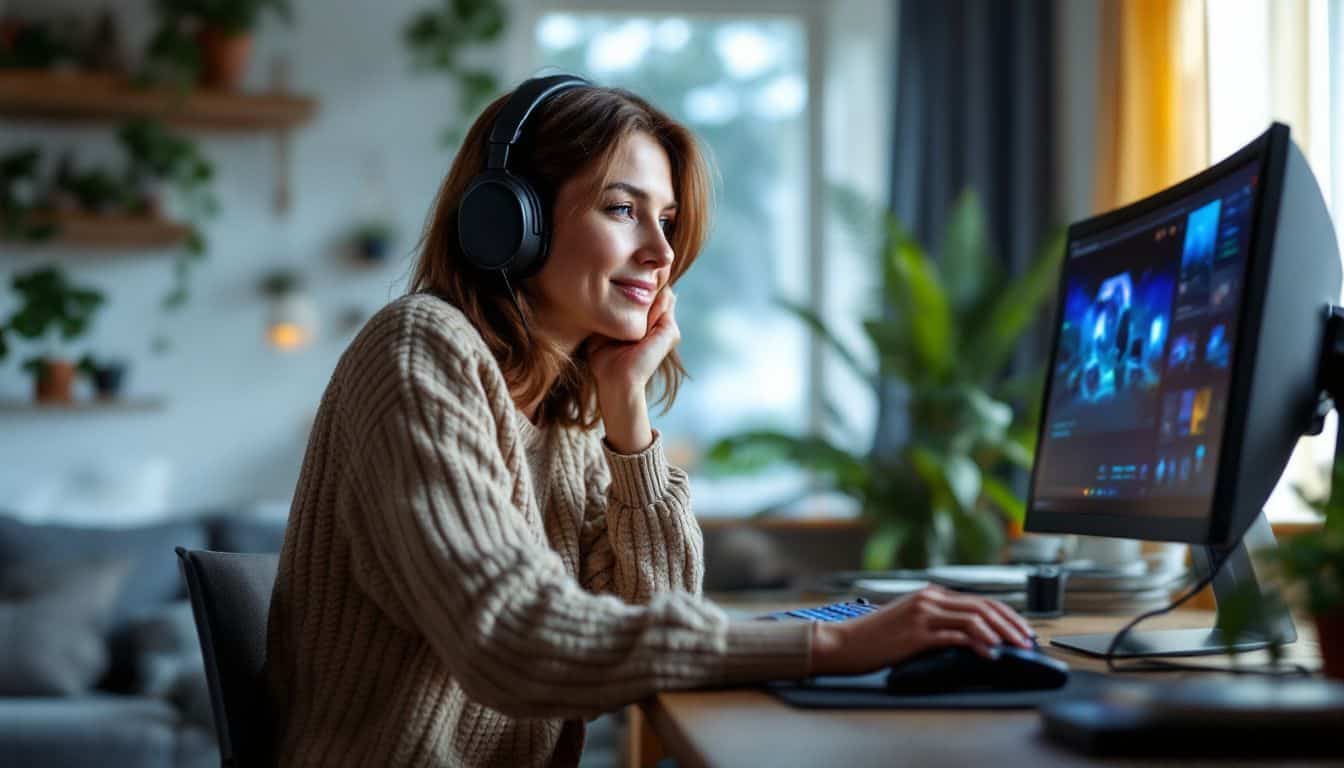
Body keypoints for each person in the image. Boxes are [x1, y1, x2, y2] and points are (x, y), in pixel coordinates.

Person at [265, 75, 1036, 768]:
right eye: (623, 209)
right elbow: (514, 641)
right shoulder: (420, 350)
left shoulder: (566, 416)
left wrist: (626, 412)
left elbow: (650, 623)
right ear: (510, 221)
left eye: (666, 219)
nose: (662, 251)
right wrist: (831, 644)